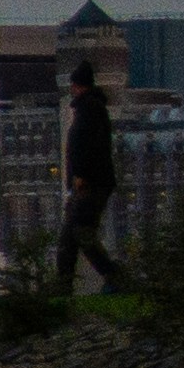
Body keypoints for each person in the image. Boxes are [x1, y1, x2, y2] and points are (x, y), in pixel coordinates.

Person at [51, 59, 131, 292]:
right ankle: (63, 285)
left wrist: (81, 175)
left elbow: (88, 145)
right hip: (88, 183)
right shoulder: (89, 108)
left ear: (77, 85)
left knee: (80, 232)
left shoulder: (90, 109)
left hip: (90, 184)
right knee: (71, 234)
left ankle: (114, 276)